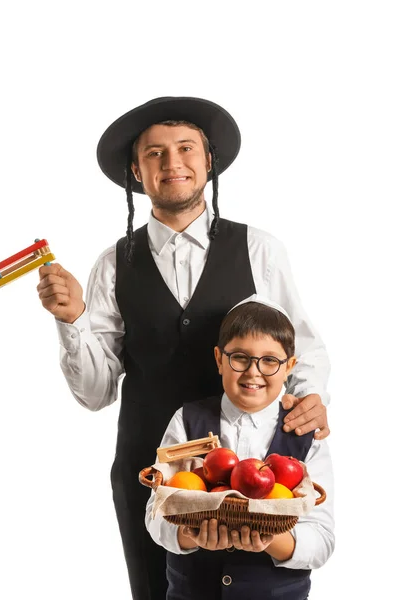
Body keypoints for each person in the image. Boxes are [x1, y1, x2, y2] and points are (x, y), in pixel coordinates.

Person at [37, 96, 331, 600]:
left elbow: (302, 347)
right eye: (154, 153)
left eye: (185, 148)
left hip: (253, 464)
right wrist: (73, 322)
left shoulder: (259, 248)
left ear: (208, 160)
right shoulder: (113, 264)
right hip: (152, 471)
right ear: (136, 171)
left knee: (263, 583)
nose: (172, 163)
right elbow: (95, 392)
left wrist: (308, 403)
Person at [145, 295, 334, 600]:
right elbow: (155, 515)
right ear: (219, 359)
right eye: (240, 357)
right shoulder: (186, 420)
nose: (253, 372)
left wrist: (272, 538)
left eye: (270, 360)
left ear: (290, 367)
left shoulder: (304, 433)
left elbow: (322, 539)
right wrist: (190, 535)